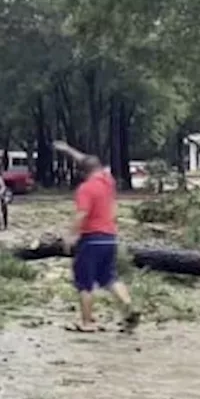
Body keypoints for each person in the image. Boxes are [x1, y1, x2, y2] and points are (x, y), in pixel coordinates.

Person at [53, 140, 139, 333]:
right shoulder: (107, 181)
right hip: (110, 238)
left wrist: (70, 236)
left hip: (91, 239)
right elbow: (86, 161)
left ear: (82, 172)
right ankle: (129, 307)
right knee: (109, 277)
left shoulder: (86, 189)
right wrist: (68, 150)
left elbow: (82, 214)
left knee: (85, 281)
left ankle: (86, 322)